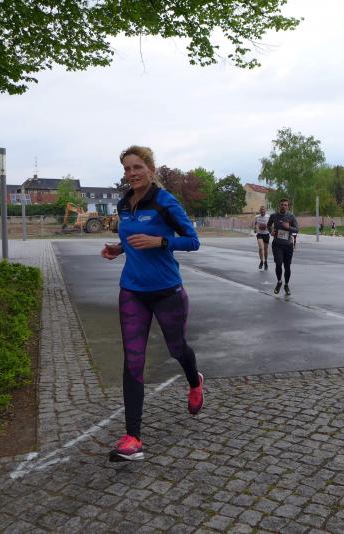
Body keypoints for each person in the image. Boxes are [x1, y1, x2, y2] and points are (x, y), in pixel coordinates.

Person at [100, 145, 203, 462]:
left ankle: (194, 381)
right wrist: (119, 248)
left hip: (166, 290)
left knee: (177, 349)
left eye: (137, 167)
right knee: (133, 361)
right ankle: (133, 437)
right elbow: (131, 238)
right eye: (127, 169)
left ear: (151, 169)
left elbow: (193, 241)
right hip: (132, 290)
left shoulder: (164, 201)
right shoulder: (124, 204)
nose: (131, 174)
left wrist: (160, 241)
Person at [267, 198, 298, 296]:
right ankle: (279, 281)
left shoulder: (291, 216)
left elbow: (297, 229)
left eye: (285, 205)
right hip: (277, 244)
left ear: (288, 206)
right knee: (278, 263)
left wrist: (289, 227)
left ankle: (286, 285)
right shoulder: (274, 216)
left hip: (288, 245)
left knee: (287, 266)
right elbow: (268, 225)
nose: (283, 206)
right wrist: (271, 231)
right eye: (282, 205)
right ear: (279, 206)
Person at [253, 206, 270, 270]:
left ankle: (265, 261)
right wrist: (255, 228)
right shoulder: (257, 217)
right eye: (261, 210)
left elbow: (271, 224)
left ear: (265, 210)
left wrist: (270, 229)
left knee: (265, 249)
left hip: (266, 234)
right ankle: (261, 261)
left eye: (263, 210)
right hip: (259, 234)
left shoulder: (268, 217)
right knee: (261, 248)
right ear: (259, 211)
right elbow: (255, 224)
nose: (262, 211)